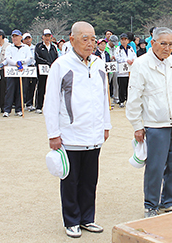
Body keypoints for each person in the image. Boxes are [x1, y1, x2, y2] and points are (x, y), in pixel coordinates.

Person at [44, 21, 111, 238]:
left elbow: (104, 97)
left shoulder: (99, 64)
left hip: (94, 133)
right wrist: (53, 133)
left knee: (90, 180)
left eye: (93, 39)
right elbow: (51, 102)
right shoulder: (61, 65)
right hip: (70, 134)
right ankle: (71, 220)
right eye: (85, 38)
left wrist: (106, 125)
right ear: (72, 40)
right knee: (71, 181)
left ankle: (87, 218)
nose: (91, 43)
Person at [126, 27, 172, 218]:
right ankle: (151, 204)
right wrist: (137, 125)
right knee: (155, 166)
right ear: (152, 43)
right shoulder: (141, 64)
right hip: (155, 124)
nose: (167, 48)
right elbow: (134, 97)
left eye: (170, 44)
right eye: (163, 44)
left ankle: (169, 201)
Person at [2, 30, 33, 117]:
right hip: (12, 71)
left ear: (20, 37)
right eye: (13, 36)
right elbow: (7, 58)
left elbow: (29, 57)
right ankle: (7, 110)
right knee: (10, 91)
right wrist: (15, 63)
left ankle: (19, 109)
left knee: (21, 90)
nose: (15, 38)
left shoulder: (26, 47)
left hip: (22, 71)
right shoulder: (9, 47)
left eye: (16, 36)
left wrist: (22, 62)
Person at [34, 29, 58, 114]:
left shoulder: (54, 47)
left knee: (51, 89)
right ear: (42, 37)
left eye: (49, 36)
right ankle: (39, 106)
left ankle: (50, 107)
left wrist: (53, 65)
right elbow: (37, 57)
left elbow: (56, 57)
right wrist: (47, 63)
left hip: (51, 71)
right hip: (42, 71)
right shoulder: (39, 46)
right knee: (41, 88)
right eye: (45, 36)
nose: (47, 38)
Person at [116, 33, 136, 108]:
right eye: (122, 40)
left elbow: (134, 55)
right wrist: (126, 60)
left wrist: (133, 59)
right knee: (121, 86)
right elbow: (118, 58)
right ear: (120, 41)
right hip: (121, 71)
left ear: (128, 40)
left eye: (125, 40)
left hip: (129, 70)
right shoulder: (118, 49)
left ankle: (128, 100)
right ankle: (121, 101)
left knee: (129, 86)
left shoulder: (130, 48)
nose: (124, 41)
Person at [22, 33, 37, 111]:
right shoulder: (22, 48)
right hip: (25, 68)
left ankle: (29, 103)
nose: (28, 40)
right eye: (26, 39)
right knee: (25, 86)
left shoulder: (34, 47)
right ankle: (22, 102)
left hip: (33, 68)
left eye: (29, 38)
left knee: (32, 86)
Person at [106, 35, 119, 103]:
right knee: (107, 83)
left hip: (115, 66)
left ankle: (116, 98)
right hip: (108, 66)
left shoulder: (117, 48)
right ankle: (106, 99)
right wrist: (110, 57)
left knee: (116, 83)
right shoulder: (105, 47)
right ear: (110, 41)